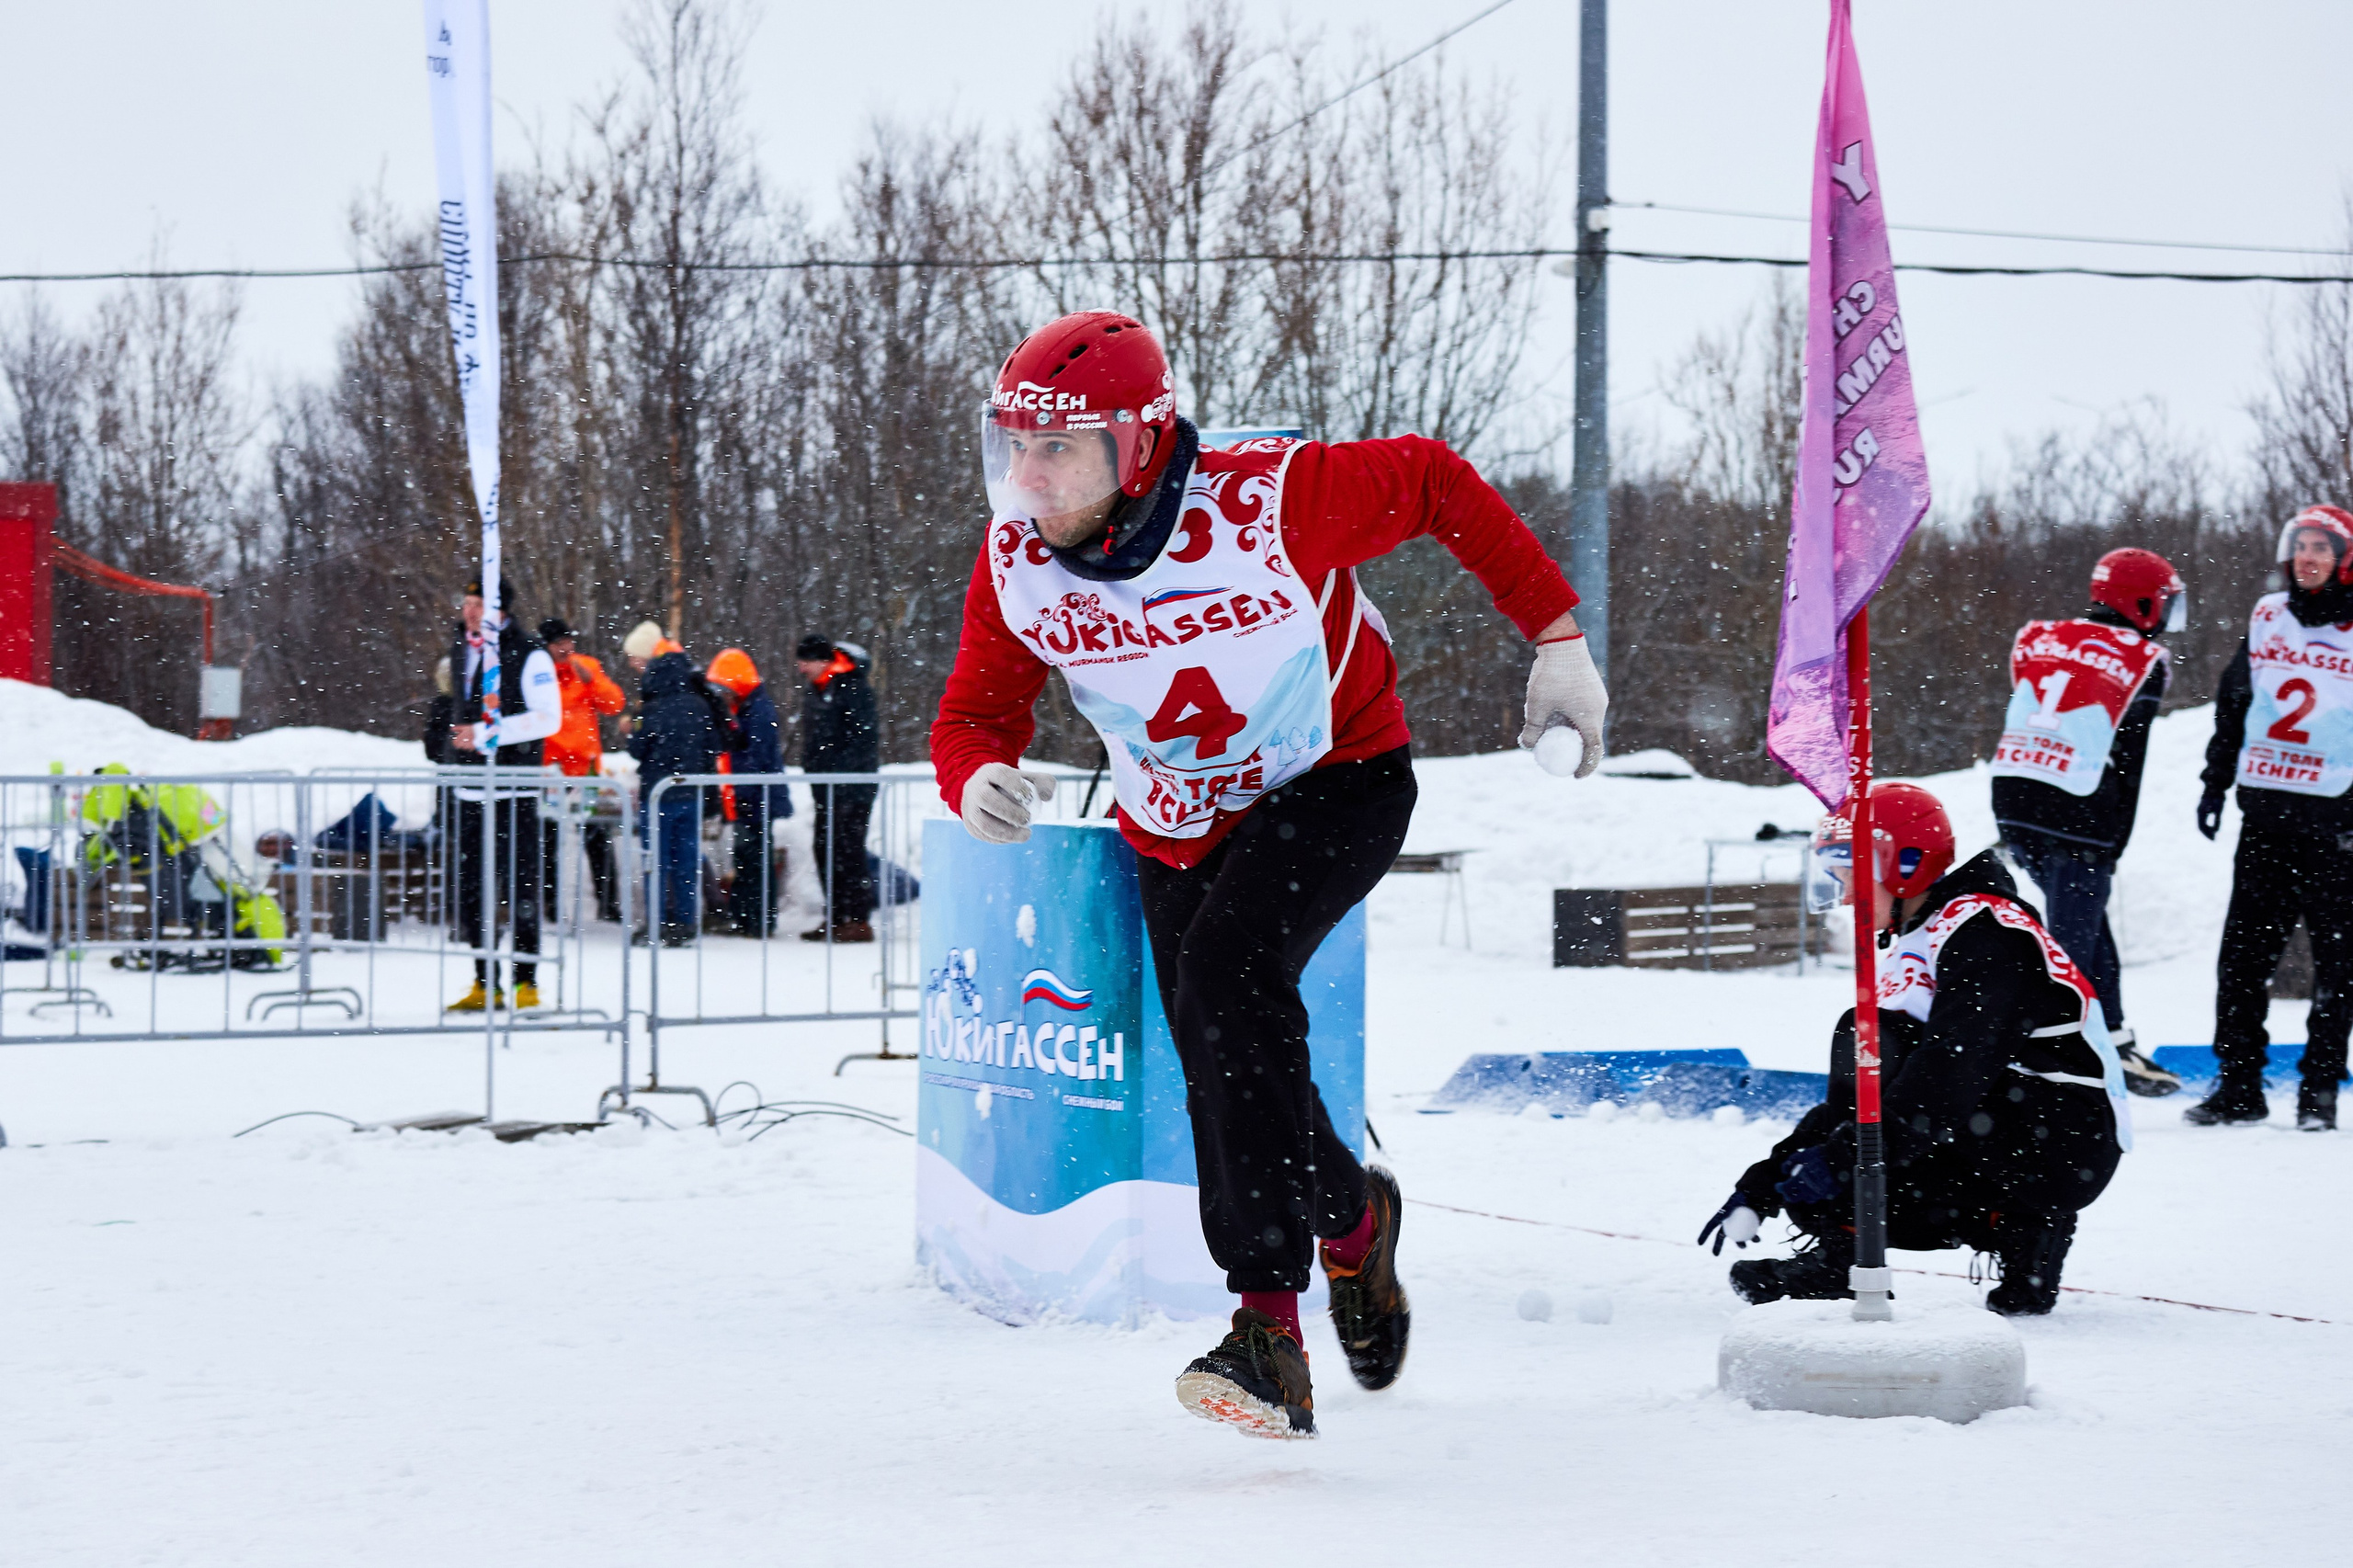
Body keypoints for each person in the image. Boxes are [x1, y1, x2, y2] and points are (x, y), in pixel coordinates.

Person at [930, 311, 1603, 1438]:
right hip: (1176, 816)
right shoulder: (1015, 564)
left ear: (1137, 445)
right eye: (1013, 445)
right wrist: (974, 776)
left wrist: (1555, 636)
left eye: (1059, 446)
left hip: (1336, 777)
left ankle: (1266, 1329)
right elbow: (972, 715)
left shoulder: (1269, 499)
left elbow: (1435, 481)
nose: (1028, 475)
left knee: (1229, 983)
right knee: (1225, 1048)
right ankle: (1350, 1219)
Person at [1702, 783, 2129, 1316]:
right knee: (1863, 1076)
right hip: (2009, 1129)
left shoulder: (1988, 934)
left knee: (1875, 1053)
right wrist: (1769, 1181)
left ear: (1906, 864)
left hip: (2064, 1140)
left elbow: (1943, 1083)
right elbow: (1860, 1097)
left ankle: (2030, 1224)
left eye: (1852, 875)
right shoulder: (1930, 932)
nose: (1846, 895)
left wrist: (1834, 1161)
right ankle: (1989, 1242)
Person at [1989, 549, 2187, 1097]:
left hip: (2014, 795)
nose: (2169, 615)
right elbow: (2130, 758)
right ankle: (2041, 1059)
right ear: (2143, 601)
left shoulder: (2038, 636)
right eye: (2166, 602)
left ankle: (2113, 1042)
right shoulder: (2144, 657)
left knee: (2088, 929)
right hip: (2078, 806)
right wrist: (2114, 839)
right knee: (2069, 946)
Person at [2189, 505, 2353, 1131]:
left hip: (2336, 826)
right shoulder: (2267, 618)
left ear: (2343, 559)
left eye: (2321, 547)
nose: (2307, 557)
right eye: (2301, 545)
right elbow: (2235, 704)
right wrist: (2214, 781)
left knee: (2337, 967)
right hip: (2266, 816)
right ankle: (2238, 1087)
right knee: (2242, 961)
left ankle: (2319, 1091)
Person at [445, 579, 563, 1012]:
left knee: (521, 884)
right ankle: (483, 980)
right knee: (472, 888)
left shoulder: (529, 652)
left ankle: (525, 979)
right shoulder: (461, 648)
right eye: (467, 602)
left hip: (514, 786)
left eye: (481, 604)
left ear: (504, 611)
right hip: (470, 786)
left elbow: (548, 719)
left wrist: (490, 733)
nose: (471, 612)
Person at [626, 628, 726, 946]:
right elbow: (714, 746)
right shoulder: (699, 703)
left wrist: (634, 729)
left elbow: (636, 749)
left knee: (655, 860)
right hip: (690, 793)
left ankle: (656, 922)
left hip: (658, 795)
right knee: (686, 860)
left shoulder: (653, 707)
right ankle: (685, 921)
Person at [537, 618, 628, 923]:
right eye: (558, 644)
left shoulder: (585, 667)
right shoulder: (538, 672)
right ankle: (548, 904)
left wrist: (593, 681)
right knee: (547, 838)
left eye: (568, 641)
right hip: (551, 770)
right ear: (546, 647)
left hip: (585, 769)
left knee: (597, 835)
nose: (566, 648)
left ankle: (608, 903)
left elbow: (614, 704)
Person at [797, 634, 879, 944]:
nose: (801, 668)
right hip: (826, 787)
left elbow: (863, 739)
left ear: (823, 660)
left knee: (848, 849)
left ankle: (857, 919)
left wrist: (836, 771)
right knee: (825, 848)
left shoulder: (852, 688)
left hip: (851, 787)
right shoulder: (819, 690)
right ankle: (836, 916)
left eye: (805, 661)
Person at [707, 648, 791, 937]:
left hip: (756, 799)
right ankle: (747, 918)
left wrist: (742, 791)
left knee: (755, 862)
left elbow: (755, 758)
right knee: (748, 860)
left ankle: (757, 921)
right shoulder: (748, 708)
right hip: (752, 798)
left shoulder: (757, 711)